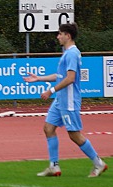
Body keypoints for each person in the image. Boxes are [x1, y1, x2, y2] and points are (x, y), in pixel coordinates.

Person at [23, 22, 108, 177]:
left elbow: (70, 78)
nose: (58, 37)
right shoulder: (68, 53)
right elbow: (60, 76)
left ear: (67, 36)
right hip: (60, 100)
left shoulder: (72, 54)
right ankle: (54, 166)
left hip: (68, 100)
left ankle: (98, 163)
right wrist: (38, 79)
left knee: (74, 134)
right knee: (48, 128)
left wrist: (51, 90)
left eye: (60, 34)